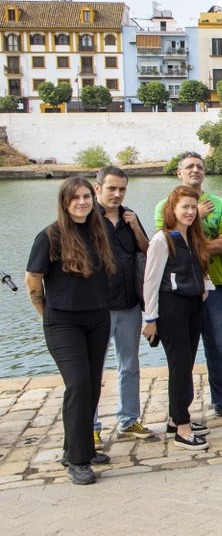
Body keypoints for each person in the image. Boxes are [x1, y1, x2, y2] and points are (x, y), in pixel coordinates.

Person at [25, 177, 117, 484]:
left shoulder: (98, 232)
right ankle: (78, 461)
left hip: (98, 319)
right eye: (75, 197)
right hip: (63, 323)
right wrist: (47, 314)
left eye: (86, 196)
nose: (82, 202)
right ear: (65, 202)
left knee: (91, 386)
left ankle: (78, 447)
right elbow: (33, 279)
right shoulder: (49, 236)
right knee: (77, 384)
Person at [155, 152, 222, 421]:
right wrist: (198, 220)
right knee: (183, 354)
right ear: (179, 172)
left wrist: (189, 241)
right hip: (180, 290)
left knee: (219, 347)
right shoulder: (164, 206)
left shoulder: (219, 203)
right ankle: (181, 412)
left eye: (199, 166)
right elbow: (167, 245)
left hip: (214, 285)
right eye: (189, 166)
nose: (195, 170)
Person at [142, 185, 211, 452]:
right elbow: (151, 281)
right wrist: (151, 318)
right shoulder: (162, 240)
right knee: (180, 367)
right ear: (172, 209)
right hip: (173, 308)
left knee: (186, 364)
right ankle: (182, 428)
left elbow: (197, 268)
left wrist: (203, 286)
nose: (190, 212)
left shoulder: (191, 236)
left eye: (193, 207)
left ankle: (175, 418)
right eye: (185, 207)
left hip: (193, 305)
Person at [93, 166, 152, 442]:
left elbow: (147, 250)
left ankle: (128, 420)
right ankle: (90, 428)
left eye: (122, 189)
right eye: (111, 188)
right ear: (98, 188)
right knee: (93, 369)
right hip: (98, 307)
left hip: (129, 305)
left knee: (129, 365)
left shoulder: (130, 217)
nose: (117, 194)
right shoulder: (87, 218)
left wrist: (136, 227)